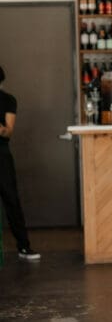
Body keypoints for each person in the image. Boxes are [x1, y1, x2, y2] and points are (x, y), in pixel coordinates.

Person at [0, 65, 40, 262]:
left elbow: (8, 131)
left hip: (1, 154)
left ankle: (24, 246)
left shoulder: (8, 100)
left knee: (11, 200)